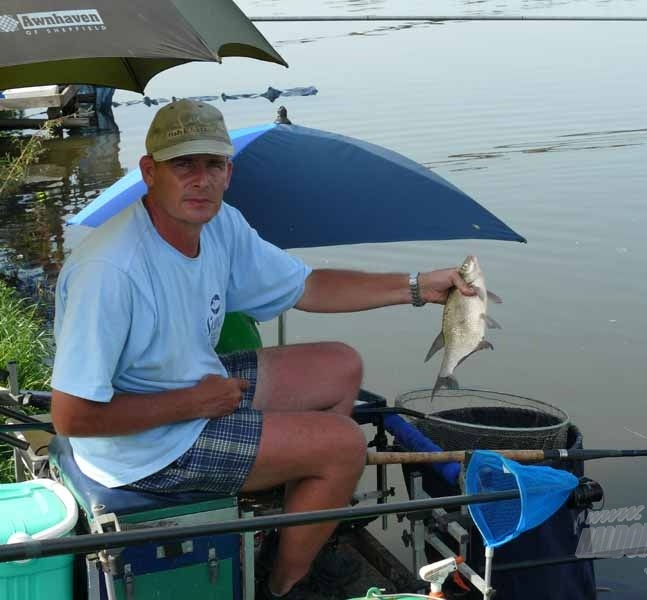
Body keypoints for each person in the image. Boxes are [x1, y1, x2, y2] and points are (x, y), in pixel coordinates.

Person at [50, 99, 474, 598]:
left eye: (213, 164)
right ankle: (283, 582)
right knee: (344, 445)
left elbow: (309, 287)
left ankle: (303, 516)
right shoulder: (111, 271)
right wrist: (192, 404)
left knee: (340, 365)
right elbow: (72, 416)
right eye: (183, 164)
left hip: (192, 390)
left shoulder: (220, 224)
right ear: (149, 171)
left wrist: (420, 286)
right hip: (143, 450)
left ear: (229, 172)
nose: (201, 179)